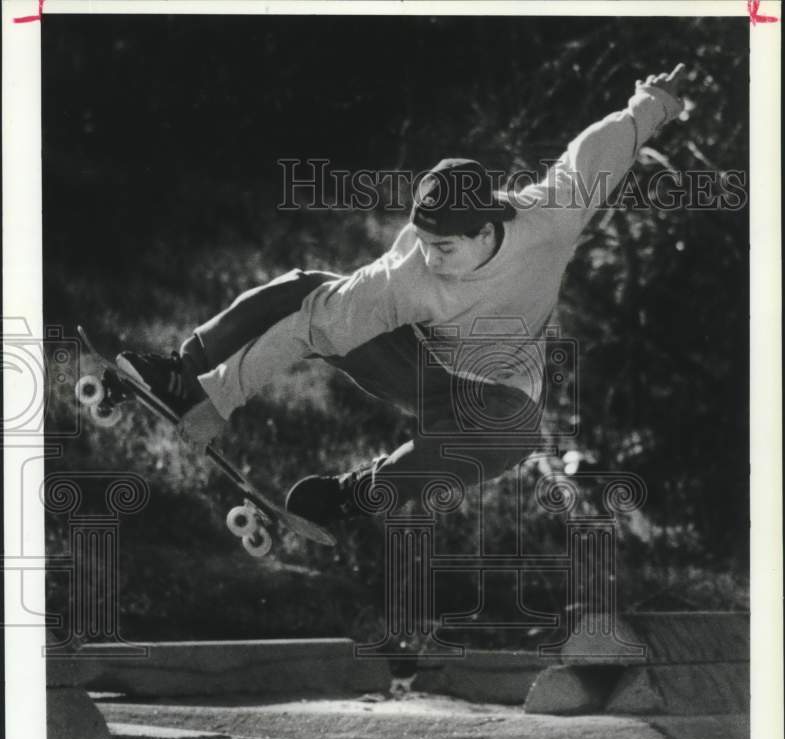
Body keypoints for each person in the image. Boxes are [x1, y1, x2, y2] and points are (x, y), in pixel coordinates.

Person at [118, 66, 686, 528]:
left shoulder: (550, 218)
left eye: (443, 247)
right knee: (304, 291)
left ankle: (357, 497)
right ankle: (181, 373)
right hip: (415, 362)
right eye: (422, 240)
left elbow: (600, 152)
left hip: (498, 392)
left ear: (485, 231)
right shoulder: (405, 277)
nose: (429, 257)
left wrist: (653, 103)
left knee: (514, 437)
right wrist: (220, 396)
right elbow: (309, 327)